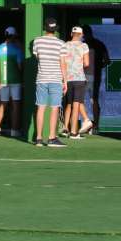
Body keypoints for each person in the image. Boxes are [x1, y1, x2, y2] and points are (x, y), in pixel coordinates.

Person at [32, 18, 67, 148]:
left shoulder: (37, 41)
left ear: (45, 28)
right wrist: (66, 81)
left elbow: (37, 57)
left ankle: (39, 139)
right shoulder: (61, 43)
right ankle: (52, 138)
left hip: (41, 79)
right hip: (56, 79)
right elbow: (62, 63)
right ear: (55, 29)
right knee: (54, 108)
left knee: (40, 108)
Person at [61, 26, 93, 139]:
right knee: (76, 104)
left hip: (68, 79)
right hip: (79, 78)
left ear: (71, 34)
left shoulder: (64, 45)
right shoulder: (84, 46)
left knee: (69, 104)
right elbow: (87, 63)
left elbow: (62, 63)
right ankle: (74, 132)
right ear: (81, 34)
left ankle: (66, 128)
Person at [0, 27, 23, 137]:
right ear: (14, 36)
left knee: (3, 104)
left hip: (3, 81)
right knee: (16, 105)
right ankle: (14, 131)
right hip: (16, 81)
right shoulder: (17, 49)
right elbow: (20, 66)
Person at [83, 24, 110, 134]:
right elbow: (108, 61)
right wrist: (98, 67)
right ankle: (96, 127)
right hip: (95, 76)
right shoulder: (100, 44)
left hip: (83, 75)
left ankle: (80, 124)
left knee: (78, 101)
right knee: (94, 100)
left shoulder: (82, 44)